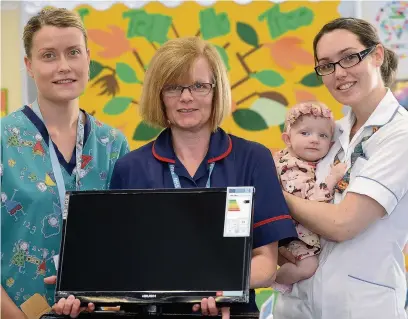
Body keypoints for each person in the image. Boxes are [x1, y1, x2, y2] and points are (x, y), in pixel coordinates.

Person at [76, 36, 295, 318]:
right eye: (173, 88)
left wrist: (215, 288)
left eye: (200, 86)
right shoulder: (131, 167)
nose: (187, 97)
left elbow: (265, 264)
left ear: (216, 92)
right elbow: (122, 265)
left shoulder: (253, 158)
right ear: (159, 95)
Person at [272, 17, 408, 319]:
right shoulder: (328, 134)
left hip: (360, 306)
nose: (339, 73)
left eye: (349, 57)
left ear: (377, 55)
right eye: (326, 65)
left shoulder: (400, 135)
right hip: (297, 306)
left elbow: (342, 224)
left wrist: (274, 195)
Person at [0, 8, 129, 319]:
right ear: (29, 66)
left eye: (73, 52)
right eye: (48, 56)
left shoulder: (112, 145)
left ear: (88, 58)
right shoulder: (5, 141)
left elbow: (128, 242)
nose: (64, 66)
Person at [271, 102, 346, 294]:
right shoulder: (292, 167)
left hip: (297, 234)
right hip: (292, 235)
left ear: (330, 144)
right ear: (287, 139)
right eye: (305, 133)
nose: (314, 140)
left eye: (322, 136)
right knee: (308, 266)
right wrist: (332, 179)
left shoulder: (301, 161)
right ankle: (273, 279)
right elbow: (309, 202)